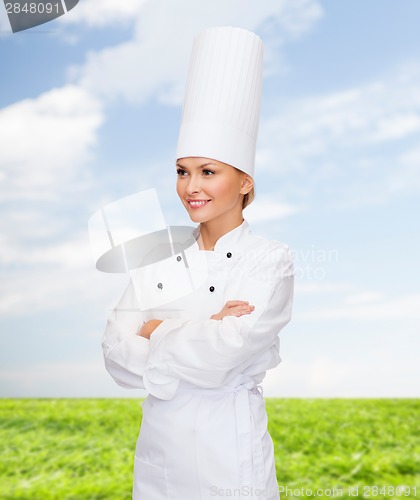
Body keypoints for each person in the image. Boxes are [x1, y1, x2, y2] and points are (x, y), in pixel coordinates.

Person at [102, 27, 294, 500]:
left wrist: (156, 331)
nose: (192, 187)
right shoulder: (156, 255)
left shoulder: (271, 259)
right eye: (183, 172)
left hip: (230, 458)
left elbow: (230, 350)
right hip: (161, 458)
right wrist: (206, 324)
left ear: (244, 182)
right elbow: (114, 356)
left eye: (209, 171)